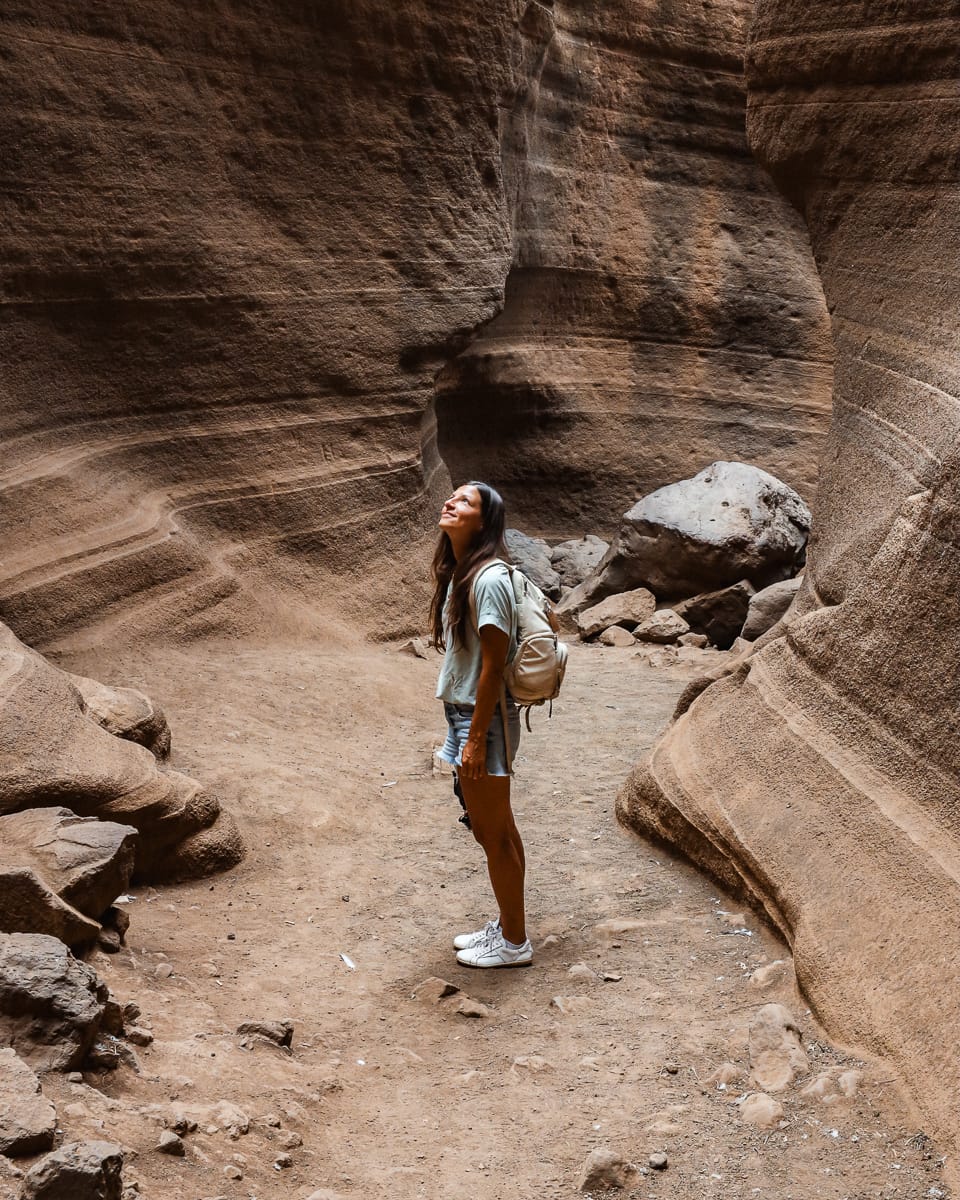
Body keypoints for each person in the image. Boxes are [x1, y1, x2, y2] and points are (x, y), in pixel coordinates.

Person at [430, 481, 532, 968]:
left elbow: (493, 667)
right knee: (496, 830)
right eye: (452, 496)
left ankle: (514, 943)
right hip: (469, 715)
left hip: (482, 718)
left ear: (484, 521)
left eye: (465, 501)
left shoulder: (487, 579)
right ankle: (509, 926)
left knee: (494, 836)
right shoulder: (464, 573)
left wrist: (473, 740)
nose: (451, 502)